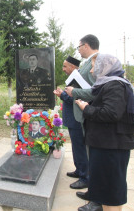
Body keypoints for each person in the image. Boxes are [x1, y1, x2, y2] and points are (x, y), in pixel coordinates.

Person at [75, 53, 134, 211]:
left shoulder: (115, 85)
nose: (91, 71)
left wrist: (86, 108)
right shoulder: (109, 84)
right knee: (105, 192)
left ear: (105, 67)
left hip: (111, 148)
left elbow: (111, 114)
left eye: (94, 67)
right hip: (106, 145)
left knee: (110, 195)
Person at [65, 34, 99, 195]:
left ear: (86, 45)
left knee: (89, 151)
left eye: (79, 47)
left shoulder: (96, 62)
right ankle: (86, 177)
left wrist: (74, 91)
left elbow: (96, 91)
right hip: (83, 113)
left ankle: (88, 180)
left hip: (89, 113)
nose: (78, 51)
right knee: (85, 150)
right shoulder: (87, 63)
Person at [53, 56, 89, 191]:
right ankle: (79, 170)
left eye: (65, 66)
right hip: (72, 119)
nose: (63, 69)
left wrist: (62, 95)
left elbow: (75, 99)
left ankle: (85, 177)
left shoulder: (78, 79)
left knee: (80, 148)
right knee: (76, 147)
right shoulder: (73, 78)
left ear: (73, 67)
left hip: (77, 119)